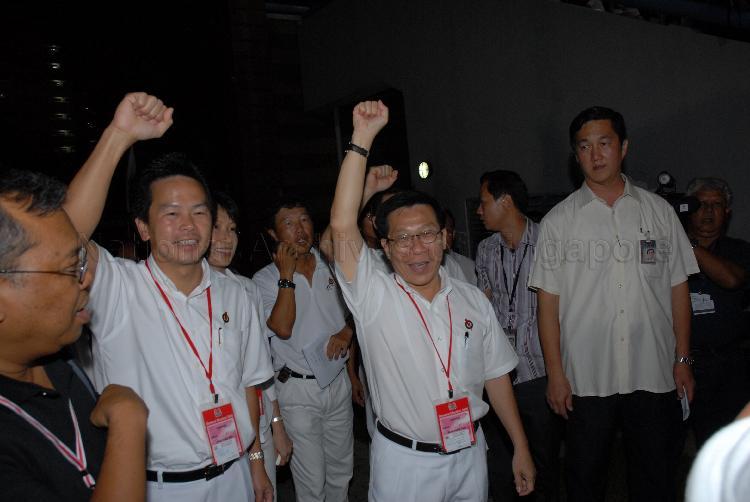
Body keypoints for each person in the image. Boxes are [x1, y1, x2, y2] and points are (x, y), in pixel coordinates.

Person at [64, 93, 274, 501]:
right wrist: (119, 135)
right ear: (143, 227)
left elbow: (248, 384)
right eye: (171, 213)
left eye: (199, 212)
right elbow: (65, 235)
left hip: (235, 478)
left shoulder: (236, 293)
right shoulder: (117, 287)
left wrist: (256, 464)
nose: (188, 226)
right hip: (159, 487)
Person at [330, 100, 535, 502]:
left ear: (445, 237)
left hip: (470, 453)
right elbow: (341, 223)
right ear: (385, 248)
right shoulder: (374, 296)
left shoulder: (473, 299)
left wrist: (521, 447)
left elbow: (496, 376)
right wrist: (361, 138)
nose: (416, 247)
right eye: (403, 238)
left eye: (426, 234)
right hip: (405, 464)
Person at [529, 106, 699, 502]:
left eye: (604, 143)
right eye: (585, 147)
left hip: (652, 369)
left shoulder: (658, 213)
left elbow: (678, 289)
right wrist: (556, 375)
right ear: (576, 156)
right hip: (587, 377)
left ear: (623, 147)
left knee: (655, 475)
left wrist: (684, 358)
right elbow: (547, 307)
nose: (596, 154)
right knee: (585, 476)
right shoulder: (559, 222)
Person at [0, 169, 148, 501]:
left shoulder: (55, 356)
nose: (87, 279)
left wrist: (119, 134)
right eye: (71, 270)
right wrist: (128, 422)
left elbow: (60, 233)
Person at [252, 199, 354, 502]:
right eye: (289, 223)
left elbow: (357, 312)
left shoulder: (331, 265)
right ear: (273, 233)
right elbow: (282, 328)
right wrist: (287, 276)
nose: (300, 230)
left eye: (305, 220)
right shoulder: (265, 279)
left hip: (337, 381)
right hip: (296, 390)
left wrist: (347, 331)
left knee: (341, 472)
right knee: (312, 483)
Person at [476, 169, 560, 501]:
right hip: (497, 375)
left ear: (505, 201)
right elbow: (484, 304)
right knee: (499, 464)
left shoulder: (548, 242)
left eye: (483, 202)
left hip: (540, 372)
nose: (479, 211)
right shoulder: (485, 249)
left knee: (544, 462)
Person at [207, 191, 293, 500]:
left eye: (232, 229)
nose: (226, 238)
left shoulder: (245, 289)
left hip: (255, 421)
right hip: (210, 434)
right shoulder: (182, 296)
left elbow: (260, 367)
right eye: (217, 227)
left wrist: (277, 424)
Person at [684, 177, 750, 448]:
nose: (708, 212)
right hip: (683, 364)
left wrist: (689, 245)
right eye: (701, 205)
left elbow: (731, 279)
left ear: (727, 212)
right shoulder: (667, 252)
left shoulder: (739, 249)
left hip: (729, 367)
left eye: (716, 205)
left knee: (727, 447)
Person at [442, 209, 477, 285]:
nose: (443, 236)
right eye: (439, 232)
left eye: (448, 232)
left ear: (453, 234)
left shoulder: (468, 266)